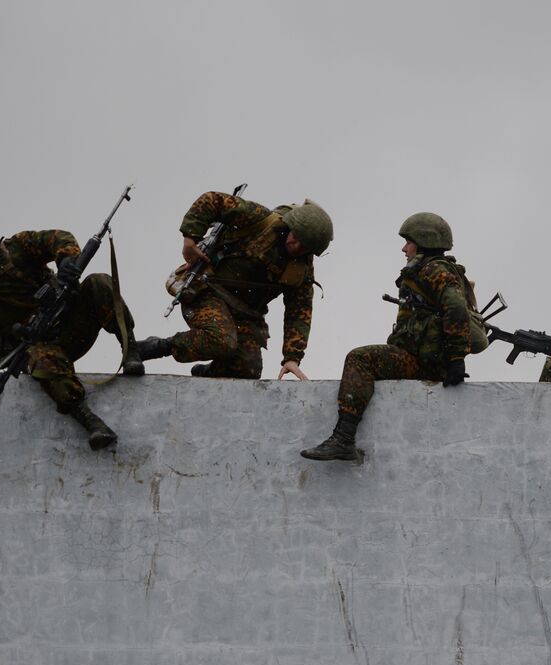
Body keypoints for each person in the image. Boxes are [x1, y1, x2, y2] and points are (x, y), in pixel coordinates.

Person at [0, 216, 143, 450]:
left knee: (99, 283)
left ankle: (131, 350)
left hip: (68, 325)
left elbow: (57, 238)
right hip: (33, 348)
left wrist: (66, 261)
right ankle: (89, 420)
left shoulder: (17, 249)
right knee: (42, 360)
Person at [301, 212, 471, 462]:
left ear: (423, 241)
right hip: (422, 356)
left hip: (424, 360)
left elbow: (456, 309)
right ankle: (343, 439)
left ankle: (343, 438)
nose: (404, 248)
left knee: (361, 359)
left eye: (409, 242)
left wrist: (456, 358)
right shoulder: (426, 270)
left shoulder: (435, 270)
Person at [131, 191, 333, 380]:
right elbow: (212, 201)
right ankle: (154, 347)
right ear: (290, 226)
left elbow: (299, 313)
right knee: (222, 341)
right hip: (208, 291)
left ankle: (208, 373)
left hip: (244, 313)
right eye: (296, 238)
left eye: (305, 247)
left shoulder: (301, 270)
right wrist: (190, 238)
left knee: (248, 370)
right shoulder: (260, 219)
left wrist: (292, 357)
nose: (296, 247)